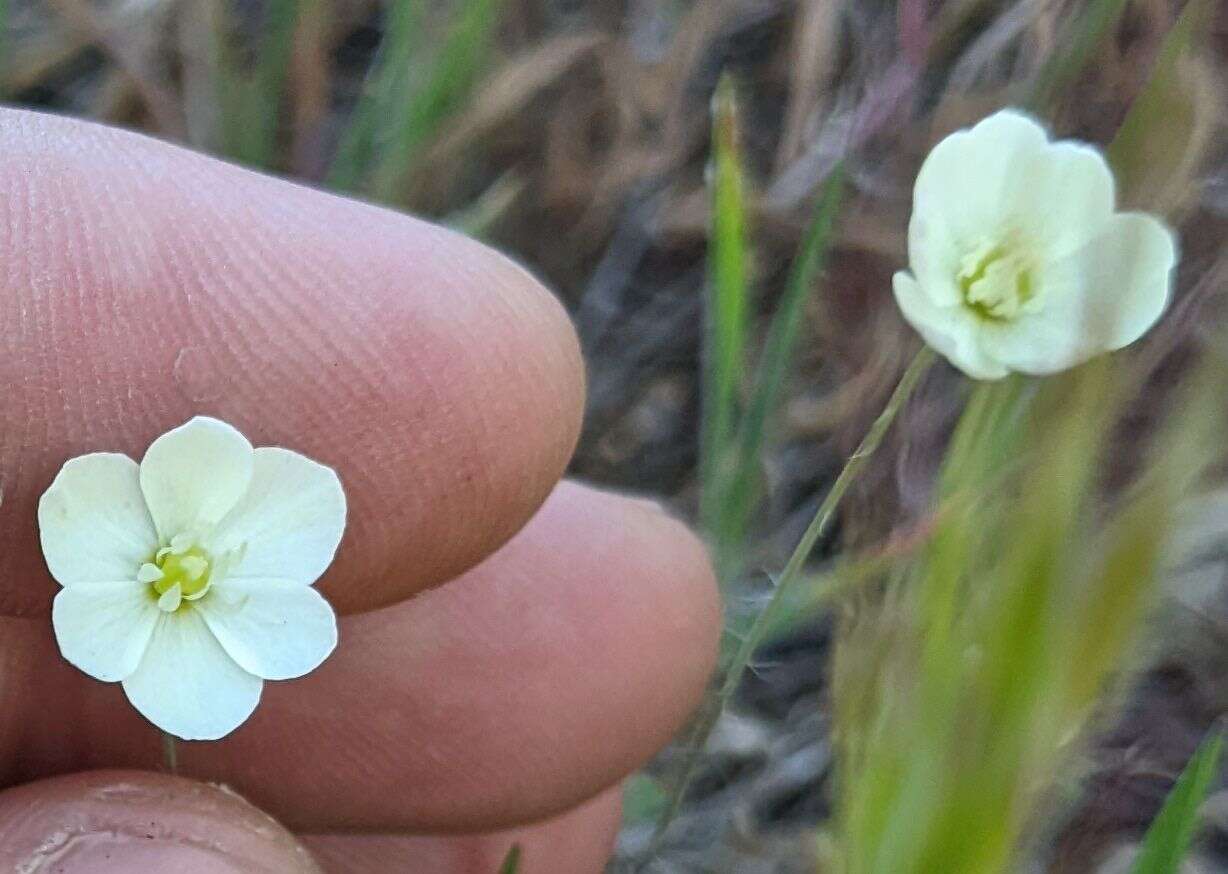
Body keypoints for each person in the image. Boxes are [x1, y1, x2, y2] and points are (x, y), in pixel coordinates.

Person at [0, 108, 720, 873]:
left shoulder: (256, 549)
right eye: (185, 569)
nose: (188, 569)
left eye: (189, 569)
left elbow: (299, 516)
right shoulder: (94, 518)